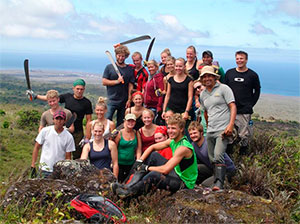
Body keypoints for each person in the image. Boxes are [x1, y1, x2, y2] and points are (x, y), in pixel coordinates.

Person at [111, 113, 198, 199]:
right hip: (176, 172)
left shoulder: (183, 147)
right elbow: (153, 147)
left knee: (154, 175)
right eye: (169, 128)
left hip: (184, 183)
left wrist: (146, 168)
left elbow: (165, 170)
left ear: (182, 129)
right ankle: (127, 186)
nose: (170, 131)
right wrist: (139, 161)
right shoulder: (173, 140)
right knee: (154, 155)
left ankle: (130, 193)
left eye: (174, 128)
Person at [28, 79, 93, 159]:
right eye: (77, 89)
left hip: (77, 132)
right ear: (73, 88)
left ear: (84, 89)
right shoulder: (67, 97)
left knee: (77, 154)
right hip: (62, 130)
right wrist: (35, 96)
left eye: (81, 89)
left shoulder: (87, 102)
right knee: (61, 152)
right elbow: (52, 99)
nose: (79, 91)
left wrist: (88, 136)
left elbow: (89, 120)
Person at [199, 66, 237, 191]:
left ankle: (219, 184)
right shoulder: (203, 94)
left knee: (218, 155)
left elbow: (232, 106)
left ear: (215, 77)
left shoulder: (224, 89)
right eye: (204, 77)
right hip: (210, 130)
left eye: (209, 76)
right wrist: (208, 125)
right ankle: (217, 179)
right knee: (211, 158)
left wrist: (230, 125)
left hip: (223, 129)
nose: (207, 78)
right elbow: (205, 112)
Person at [225, 51, 261, 155]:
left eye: (241, 59)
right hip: (230, 109)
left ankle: (243, 158)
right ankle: (229, 157)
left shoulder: (252, 75)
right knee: (229, 134)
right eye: (237, 58)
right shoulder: (229, 73)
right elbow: (224, 88)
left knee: (244, 135)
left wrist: (250, 104)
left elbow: (257, 91)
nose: (239, 61)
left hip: (244, 110)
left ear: (246, 60)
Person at [188, 121, 236, 187]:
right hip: (211, 168)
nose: (193, 135)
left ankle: (220, 182)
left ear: (201, 133)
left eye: (195, 133)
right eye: (191, 134)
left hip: (226, 171)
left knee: (204, 185)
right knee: (195, 168)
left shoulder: (209, 143)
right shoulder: (193, 145)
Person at [30, 110, 75, 178]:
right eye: (57, 118)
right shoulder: (45, 131)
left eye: (61, 119)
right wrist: (33, 165)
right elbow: (36, 147)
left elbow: (68, 156)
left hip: (59, 170)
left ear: (65, 121)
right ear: (53, 120)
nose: (59, 121)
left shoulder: (69, 137)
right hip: (44, 168)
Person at [102, 45, 135, 127]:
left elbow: (131, 85)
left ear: (126, 57)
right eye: (119, 55)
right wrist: (117, 81)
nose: (120, 58)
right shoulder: (109, 67)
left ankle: (117, 138)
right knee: (107, 121)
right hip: (111, 100)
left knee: (120, 123)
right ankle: (105, 138)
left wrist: (129, 99)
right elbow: (104, 81)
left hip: (123, 101)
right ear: (116, 55)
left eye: (123, 56)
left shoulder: (129, 69)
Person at [162, 58, 193, 122]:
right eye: (176, 66)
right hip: (171, 108)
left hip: (183, 110)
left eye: (180, 66)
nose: (178, 68)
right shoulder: (170, 79)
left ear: (184, 67)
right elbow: (167, 95)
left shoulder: (189, 80)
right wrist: (164, 110)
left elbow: (190, 97)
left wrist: (186, 111)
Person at [114, 113, 142, 182]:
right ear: (125, 121)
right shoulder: (119, 133)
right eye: (128, 121)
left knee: (128, 182)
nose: (130, 123)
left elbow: (139, 148)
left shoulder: (136, 133)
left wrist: (138, 161)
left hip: (131, 163)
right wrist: (114, 162)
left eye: (132, 121)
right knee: (119, 181)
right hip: (119, 163)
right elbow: (114, 148)